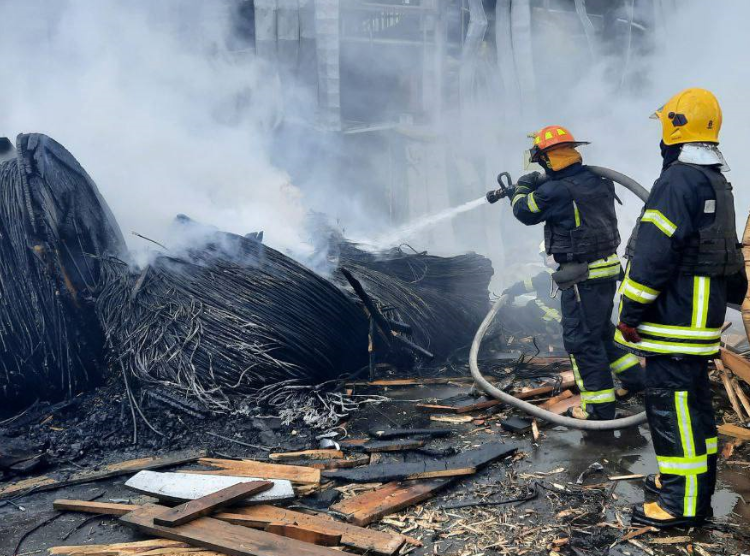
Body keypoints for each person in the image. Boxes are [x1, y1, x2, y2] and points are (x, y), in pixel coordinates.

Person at [615, 88, 746, 528]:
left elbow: (653, 255)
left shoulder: (675, 181)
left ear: (674, 129)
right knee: (694, 410)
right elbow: (728, 253)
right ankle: (690, 484)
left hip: (673, 321)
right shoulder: (716, 181)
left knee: (673, 413)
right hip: (700, 323)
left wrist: (630, 312)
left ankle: (682, 505)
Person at [510, 126, 644, 420]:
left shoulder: (556, 190)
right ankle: (636, 382)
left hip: (583, 276)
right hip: (605, 270)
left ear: (546, 158)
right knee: (600, 333)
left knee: (582, 340)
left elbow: (524, 211)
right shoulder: (594, 179)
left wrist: (522, 187)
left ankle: (598, 409)